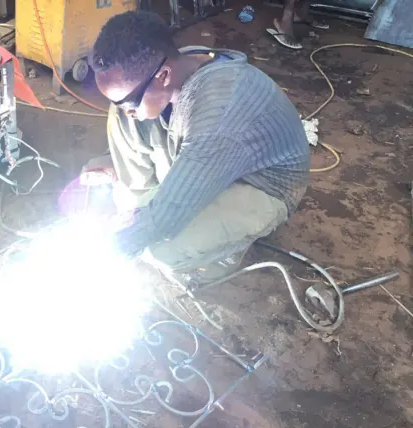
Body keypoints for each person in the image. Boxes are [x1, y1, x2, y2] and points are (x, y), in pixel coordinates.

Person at [82, 11, 310, 282]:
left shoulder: (219, 113)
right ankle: (146, 202)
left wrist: (109, 252)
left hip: (263, 185)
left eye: (131, 102)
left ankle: (226, 252)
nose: (127, 112)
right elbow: (133, 106)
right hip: (211, 154)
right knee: (124, 111)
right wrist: (121, 174)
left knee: (160, 251)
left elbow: (165, 219)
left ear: (164, 75)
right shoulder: (178, 63)